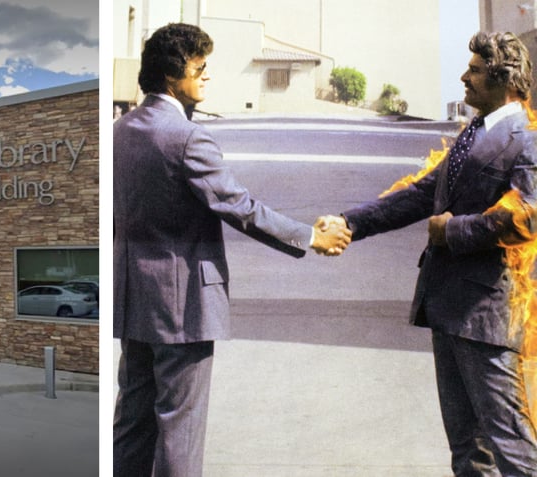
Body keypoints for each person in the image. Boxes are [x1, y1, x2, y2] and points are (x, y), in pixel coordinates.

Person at [113, 23, 351, 477]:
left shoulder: (119, 131)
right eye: (199, 67)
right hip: (182, 308)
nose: (207, 76)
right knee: (179, 430)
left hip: (134, 301)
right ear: (171, 76)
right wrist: (309, 236)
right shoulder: (186, 138)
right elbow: (238, 206)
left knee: (132, 425)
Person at [323, 31, 537, 475]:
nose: (464, 77)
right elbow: (423, 194)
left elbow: (527, 216)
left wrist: (452, 230)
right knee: (467, 447)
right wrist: (351, 222)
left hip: (487, 315)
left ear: (507, 79)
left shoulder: (527, 138)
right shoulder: (474, 133)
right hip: (449, 308)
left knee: (511, 444)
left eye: (476, 70)